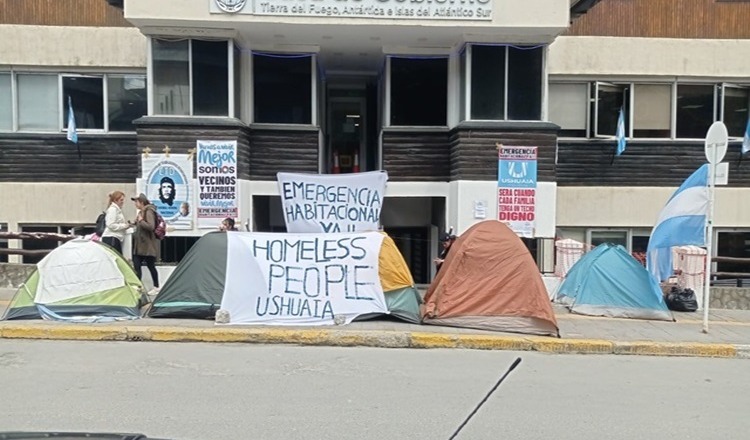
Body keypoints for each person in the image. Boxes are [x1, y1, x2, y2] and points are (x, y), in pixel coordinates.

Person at [130, 193, 160, 295]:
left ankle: (156, 287)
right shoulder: (141, 212)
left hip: (147, 245)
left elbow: (151, 226)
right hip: (140, 245)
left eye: (136, 201)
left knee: (150, 266)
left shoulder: (148, 211)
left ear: (141, 202)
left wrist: (141, 221)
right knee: (137, 265)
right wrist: (134, 223)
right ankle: (138, 286)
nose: (135, 204)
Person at [100, 190, 131, 255]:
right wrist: (124, 226)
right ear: (115, 200)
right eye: (121, 200)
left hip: (114, 238)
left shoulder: (116, 210)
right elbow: (110, 225)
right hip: (112, 238)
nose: (123, 202)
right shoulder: (113, 210)